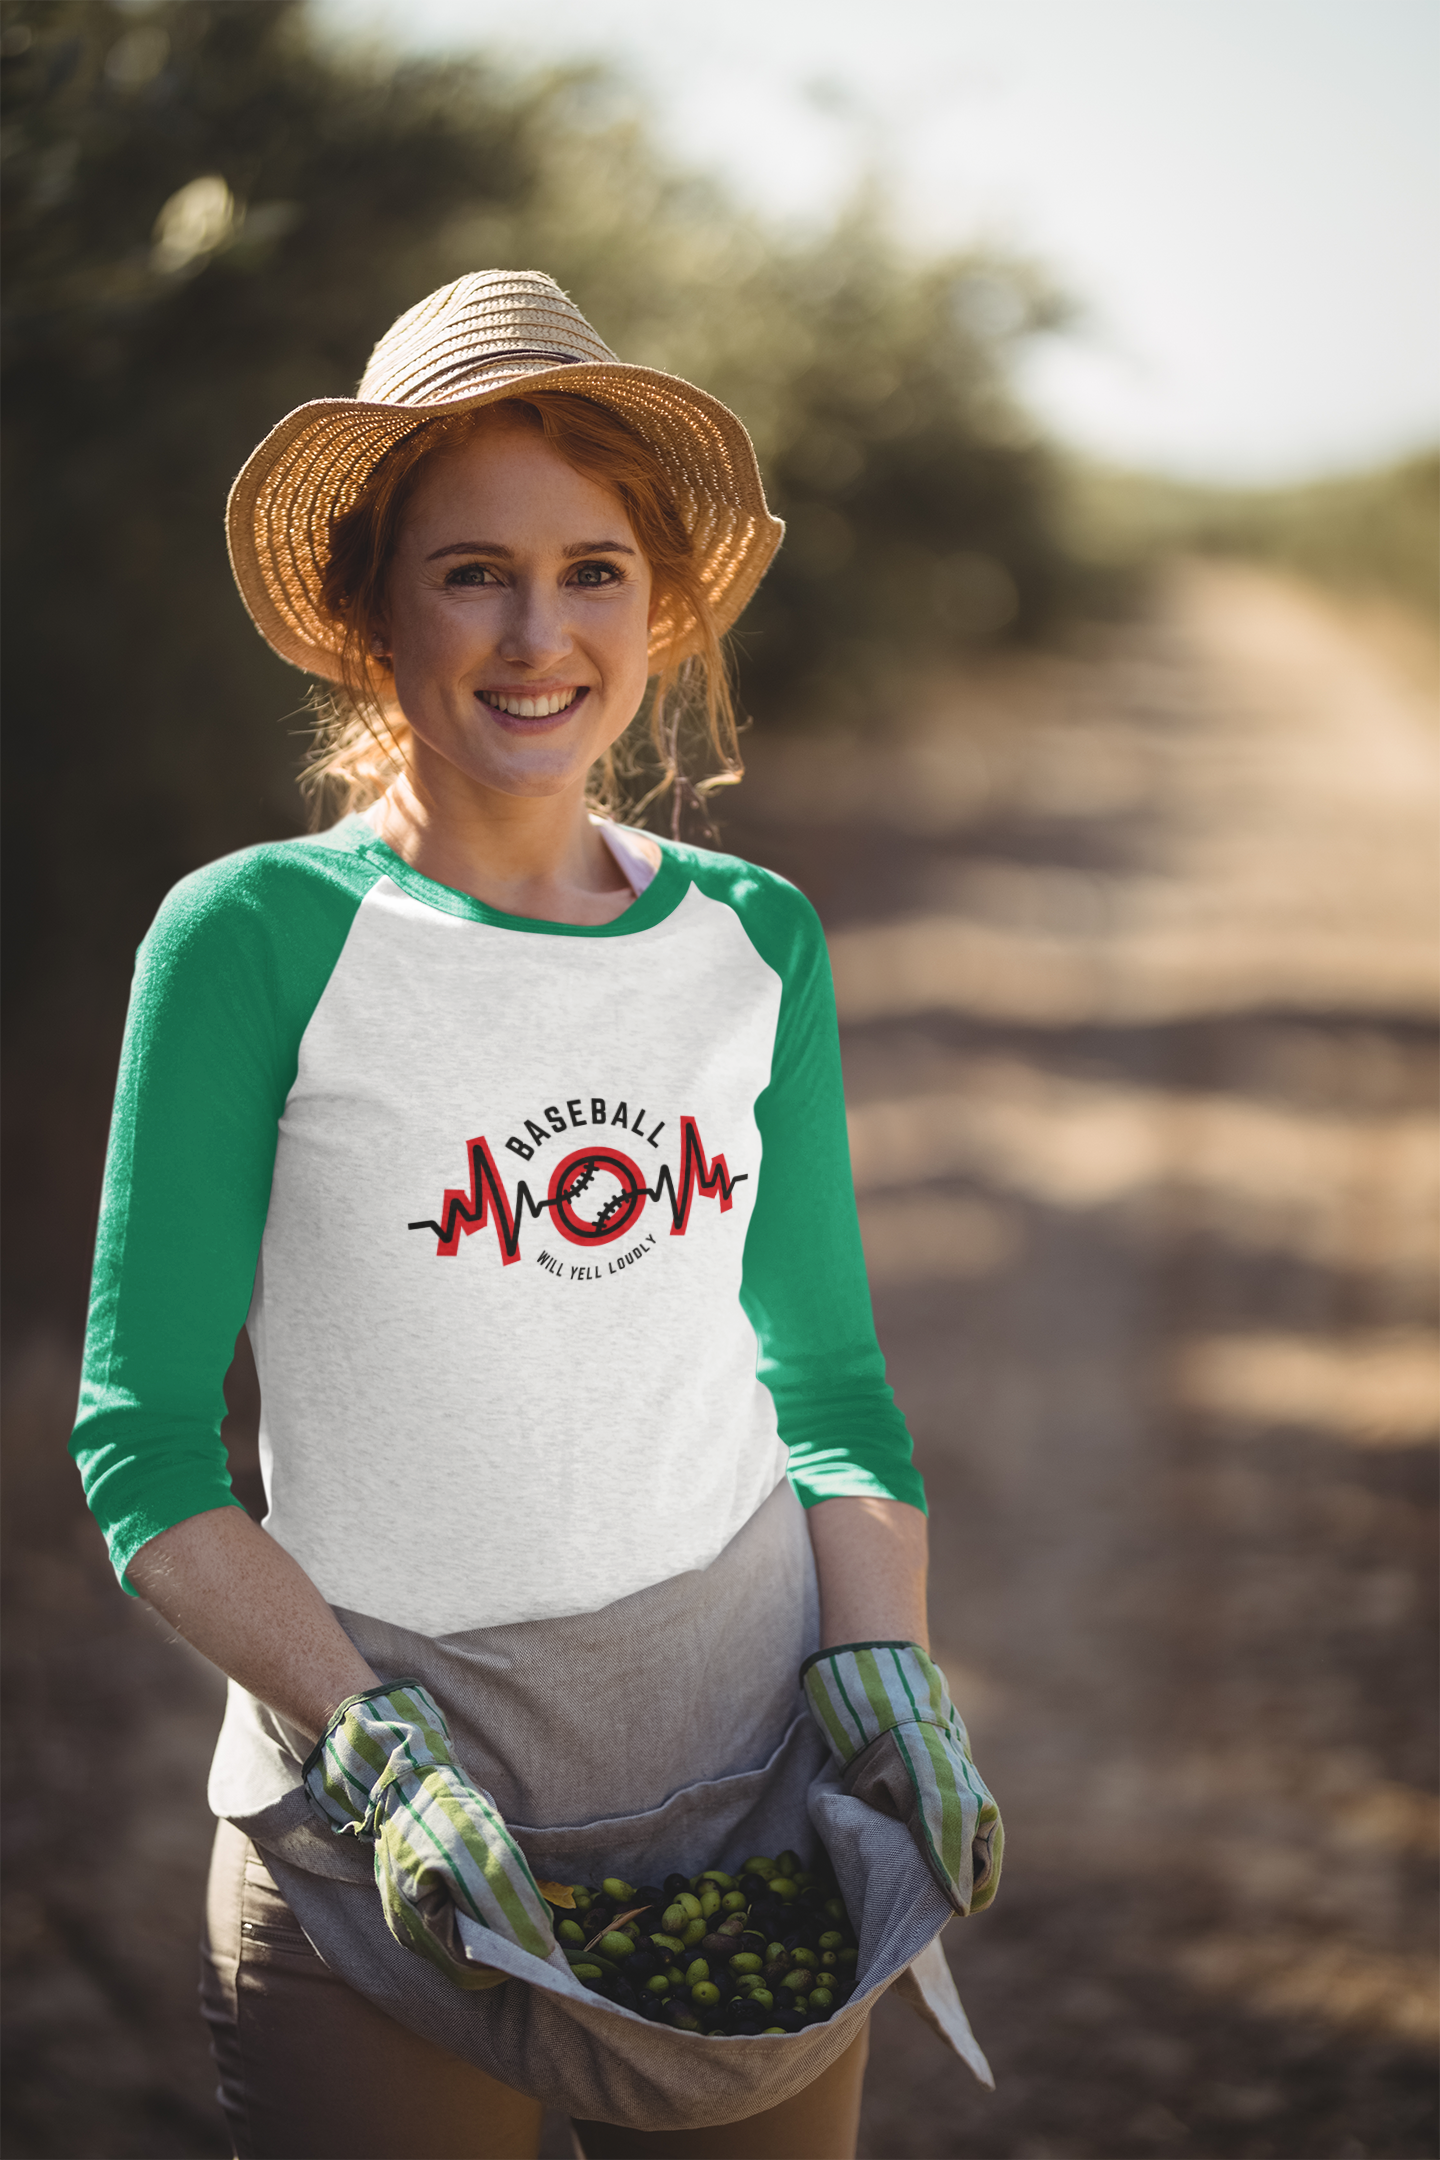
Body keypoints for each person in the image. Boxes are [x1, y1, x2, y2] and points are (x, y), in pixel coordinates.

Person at [70, 270, 1001, 2160]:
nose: (537, 632)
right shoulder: (254, 940)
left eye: (592, 572)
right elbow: (144, 1456)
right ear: (364, 609)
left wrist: (882, 1665)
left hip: (747, 1790)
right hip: (384, 1839)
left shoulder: (755, 941)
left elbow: (823, 1380)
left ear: (657, 606)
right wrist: (363, 1742)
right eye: (473, 569)